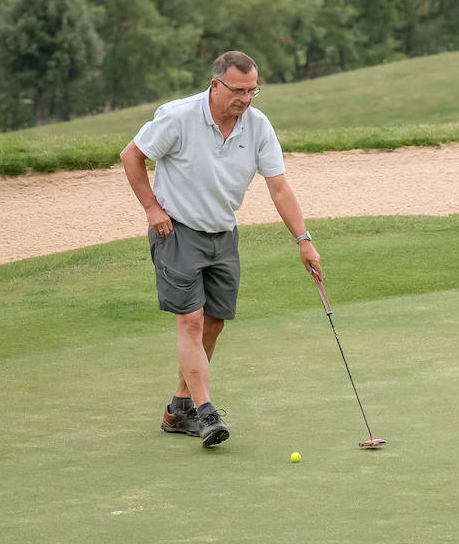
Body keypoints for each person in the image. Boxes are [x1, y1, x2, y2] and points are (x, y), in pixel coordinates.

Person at [120, 49, 321, 449]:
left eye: (252, 91)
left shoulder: (258, 126)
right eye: (238, 90)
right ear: (216, 85)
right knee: (191, 322)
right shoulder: (179, 116)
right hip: (177, 231)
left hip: (223, 235)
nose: (245, 99)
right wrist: (151, 207)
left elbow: (278, 186)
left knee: (213, 322)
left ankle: (179, 408)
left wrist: (304, 241)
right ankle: (206, 413)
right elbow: (132, 156)